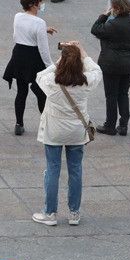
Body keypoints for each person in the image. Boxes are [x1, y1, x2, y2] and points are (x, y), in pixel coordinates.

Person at [33, 42, 102, 226]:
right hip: (77, 131)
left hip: (54, 130)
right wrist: (83, 53)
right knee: (76, 170)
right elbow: (97, 71)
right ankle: (74, 213)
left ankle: (49, 213)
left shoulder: (52, 82)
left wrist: (58, 63)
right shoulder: (85, 81)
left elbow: (39, 75)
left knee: (52, 170)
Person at [92, 0, 130, 137]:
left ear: (115, 8)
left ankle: (110, 125)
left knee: (111, 95)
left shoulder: (111, 24)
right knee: (123, 93)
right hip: (129, 63)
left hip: (111, 64)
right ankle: (123, 125)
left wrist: (104, 15)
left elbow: (95, 29)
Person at [2, 0, 54, 137]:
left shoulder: (17, 16)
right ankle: (45, 124)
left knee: (21, 91)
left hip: (18, 55)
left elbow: (16, 35)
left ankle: (19, 124)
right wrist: (50, 67)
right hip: (33, 57)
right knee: (41, 93)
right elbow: (43, 50)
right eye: (40, 3)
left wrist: (43, 30)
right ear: (34, 5)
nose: (41, 5)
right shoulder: (39, 22)